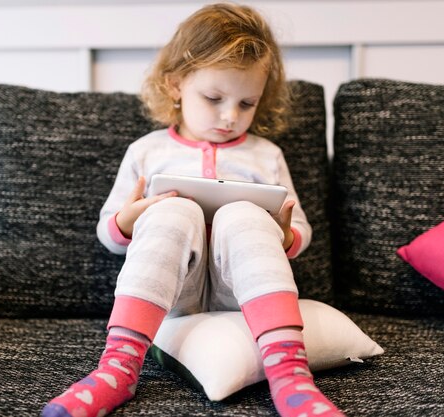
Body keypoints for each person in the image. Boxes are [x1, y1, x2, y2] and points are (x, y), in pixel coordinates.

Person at [42, 3, 344, 417]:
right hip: (170, 294)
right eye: (214, 97)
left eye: (246, 103)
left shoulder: (266, 155)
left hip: (241, 291)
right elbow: (107, 232)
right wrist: (128, 221)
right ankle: (117, 370)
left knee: (244, 214)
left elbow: (301, 232)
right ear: (176, 84)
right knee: (173, 212)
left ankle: (290, 378)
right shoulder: (146, 152)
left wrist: (285, 233)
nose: (229, 117)